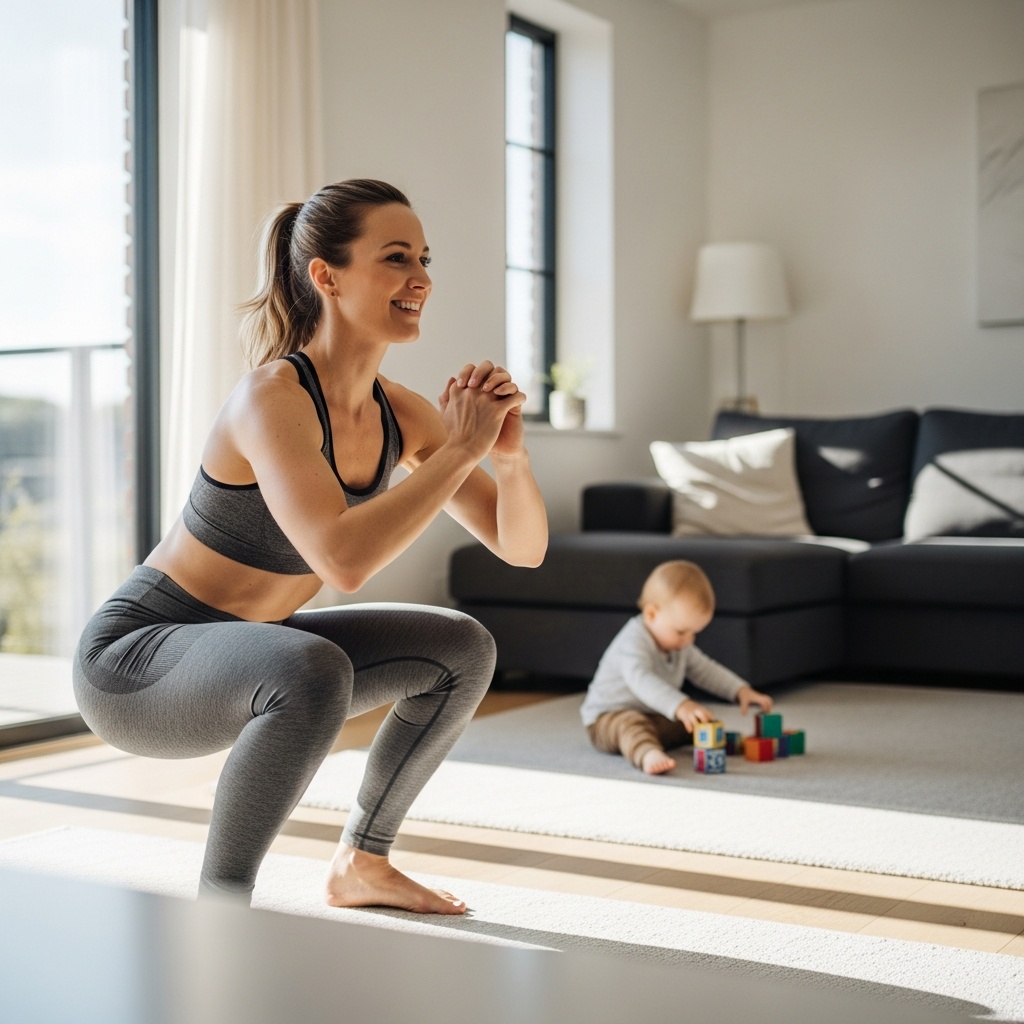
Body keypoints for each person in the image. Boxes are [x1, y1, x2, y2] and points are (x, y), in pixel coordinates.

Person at [73, 179, 547, 913]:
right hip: (138, 662)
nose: (420, 278)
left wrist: (507, 459)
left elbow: (523, 550)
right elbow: (343, 561)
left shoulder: (403, 414)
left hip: (253, 651)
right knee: (311, 667)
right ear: (326, 275)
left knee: (464, 648)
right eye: (395, 258)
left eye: (424, 258)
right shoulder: (273, 398)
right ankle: (222, 908)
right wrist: (459, 452)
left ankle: (363, 861)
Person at [580, 560, 773, 775]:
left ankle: (714, 740)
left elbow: (706, 670)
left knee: (696, 719)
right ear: (652, 614)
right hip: (608, 718)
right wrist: (680, 705)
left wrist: (740, 690)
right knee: (632, 725)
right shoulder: (633, 642)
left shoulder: (680, 645)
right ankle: (647, 753)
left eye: (694, 633)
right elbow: (641, 680)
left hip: (652, 714)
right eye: (681, 632)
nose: (688, 640)